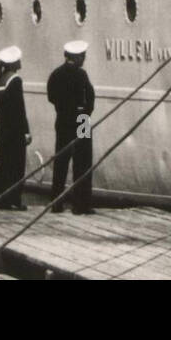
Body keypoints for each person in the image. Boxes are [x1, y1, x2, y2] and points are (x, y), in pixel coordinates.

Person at [46, 39, 95, 215]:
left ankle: (56, 203)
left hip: (63, 120)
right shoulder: (81, 75)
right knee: (83, 162)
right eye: (83, 56)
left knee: (61, 161)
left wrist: (62, 108)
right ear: (78, 57)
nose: (84, 59)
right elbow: (90, 96)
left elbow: (50, 96)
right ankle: (81, 205)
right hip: (81, 119)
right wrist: (85, 113)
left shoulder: (55, 74)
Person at [0, 46, 31, 210]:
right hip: (15, 129)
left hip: (3, 127)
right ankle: (14, 199)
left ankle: (0, 198)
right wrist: (26, 131)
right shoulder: (15, 80)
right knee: (16, 165)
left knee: (3, 163)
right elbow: (20, 109)